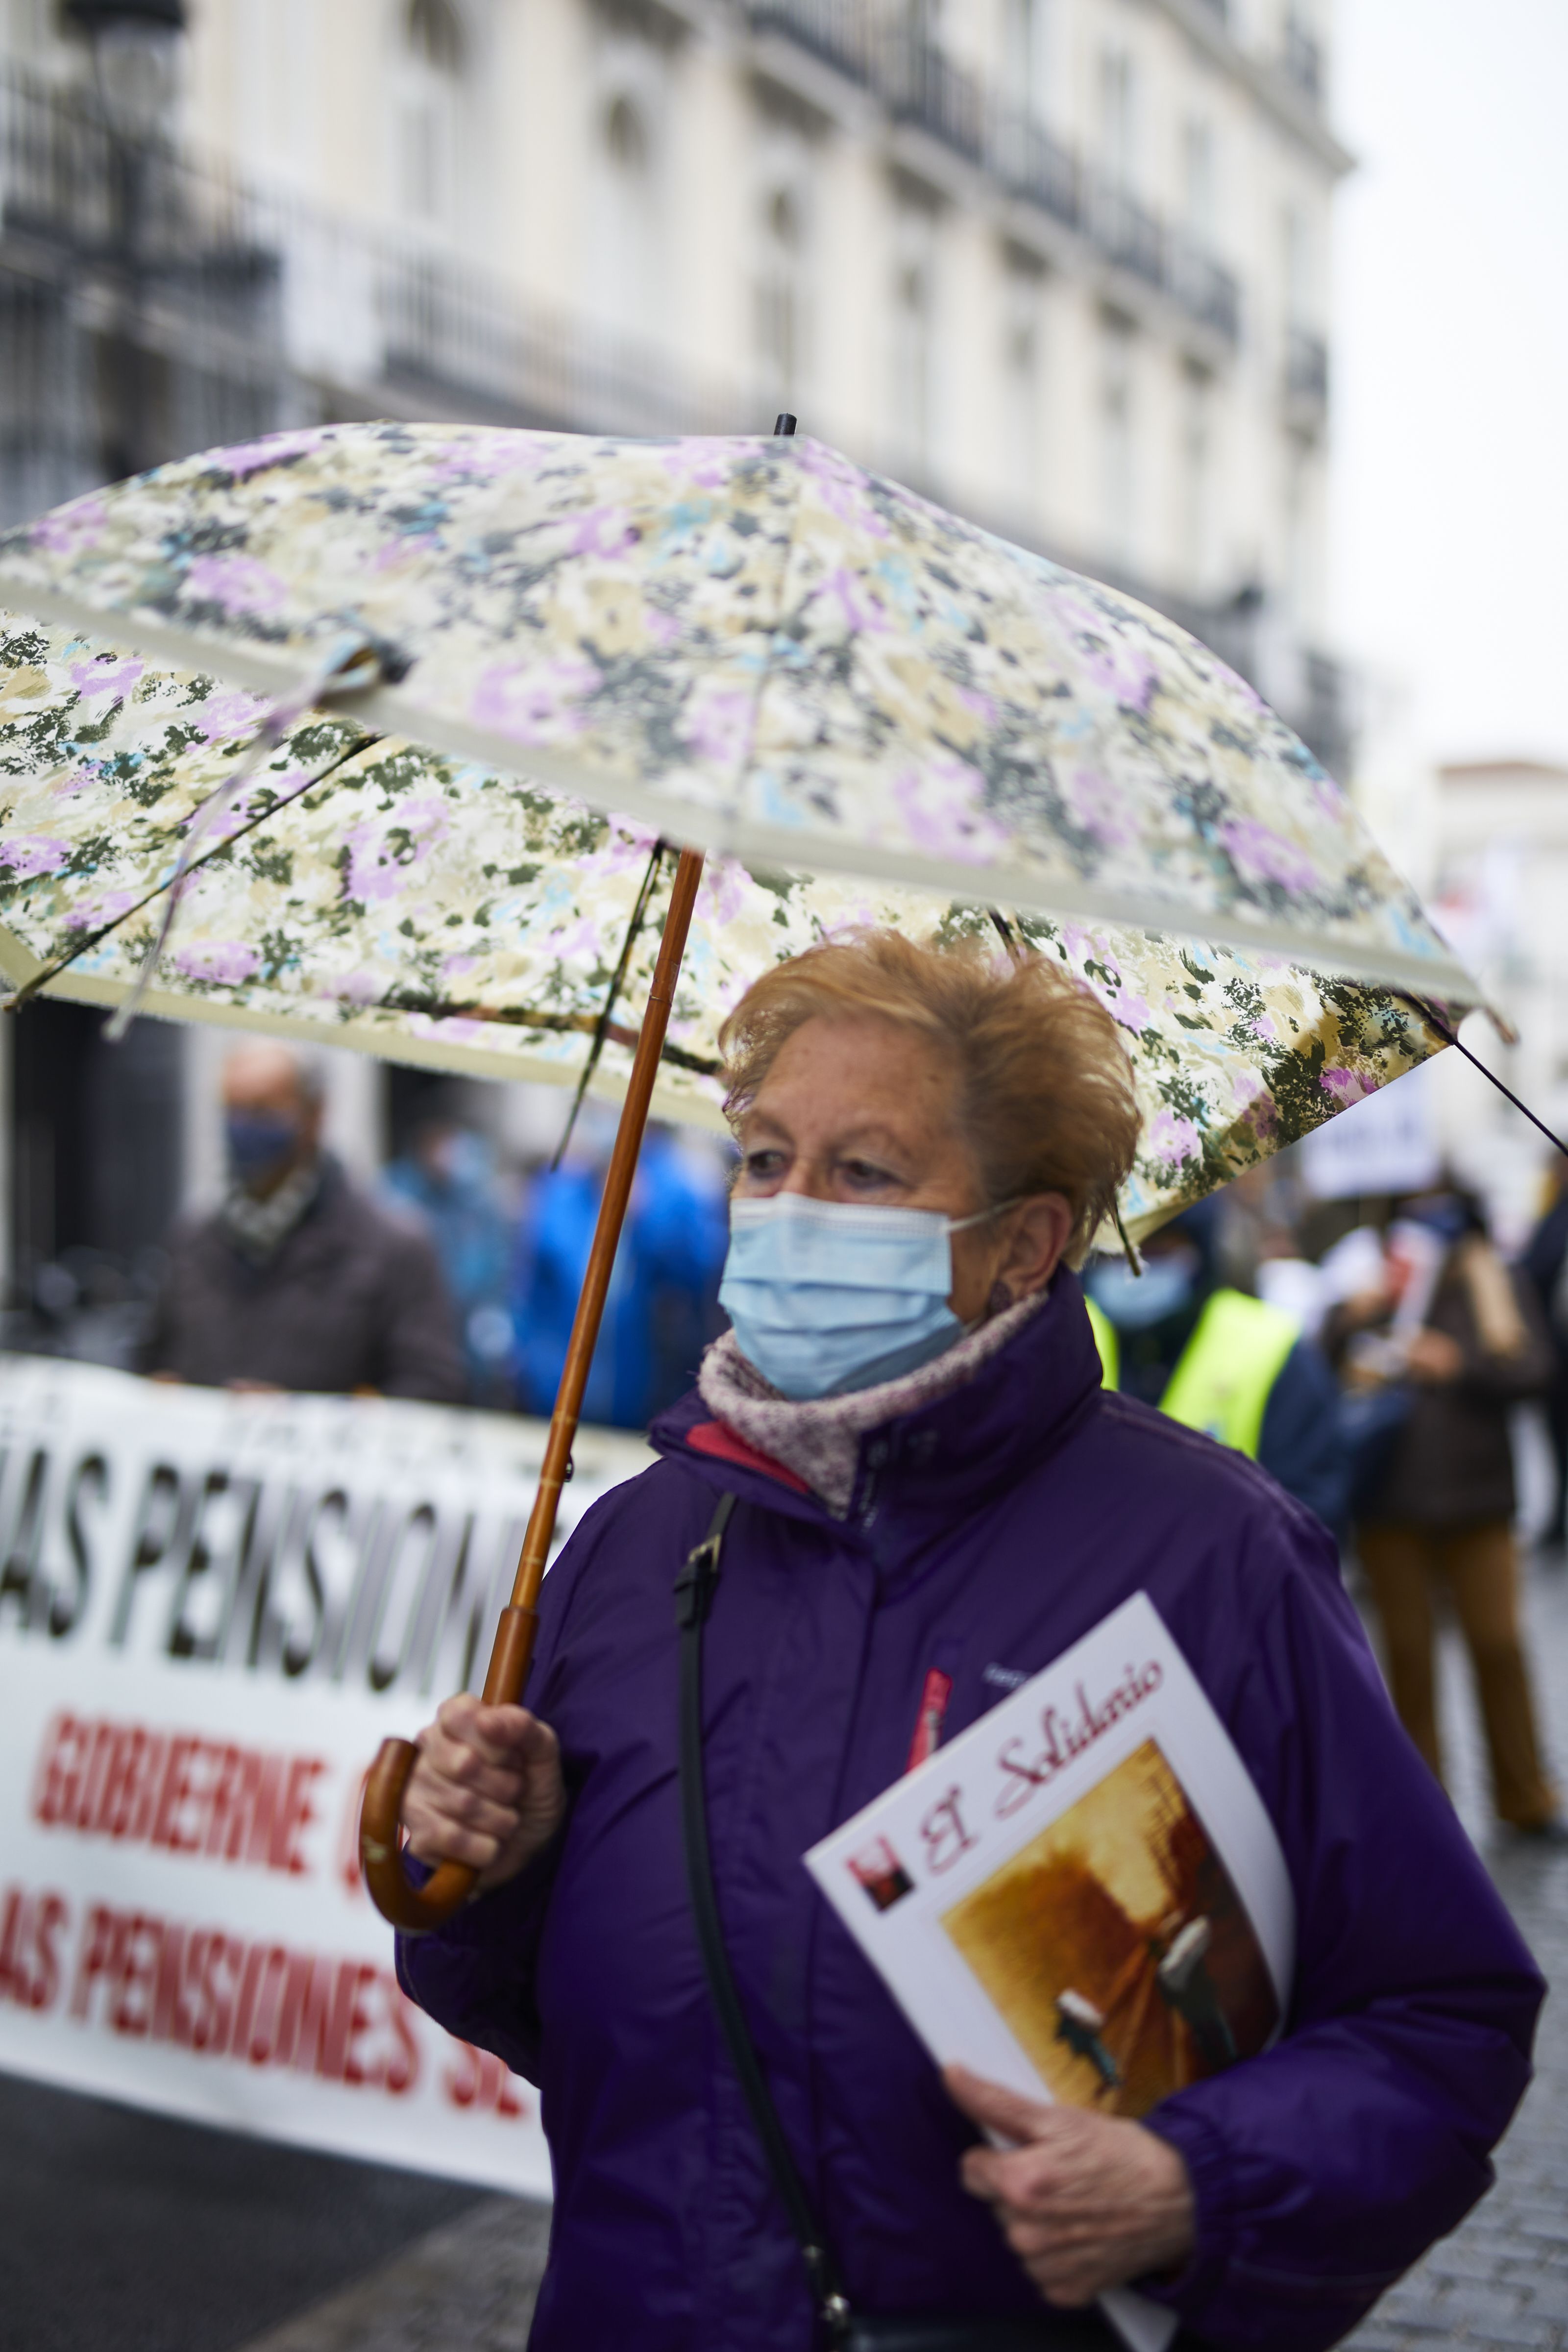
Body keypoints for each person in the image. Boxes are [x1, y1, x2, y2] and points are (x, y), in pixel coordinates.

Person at [392, 935, 1539, 2352]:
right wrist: (493, 1872)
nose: (790, 1208)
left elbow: (1437, 2017)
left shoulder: (1216, 1557)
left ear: (1024, 1244)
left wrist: (1198, 2181)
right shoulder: (637, 1541)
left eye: (863, 1172)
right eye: (763, 1159)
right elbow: (553, 2021)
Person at [1327, 1187, 1560, 1836]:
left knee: (1499, 1646)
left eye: (1441, 1203)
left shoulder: (1495, 1277)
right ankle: (1425, 1810)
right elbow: (1325, 1359)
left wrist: (1460, 1364)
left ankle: (1527, 1796)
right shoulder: (1374, 1275)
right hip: (1390, 1507)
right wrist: (1355, 1316)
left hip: (1479, 1502)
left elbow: (1536, 1370)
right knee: (1408, 1657)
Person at [144, 1042, 465, 1401]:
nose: (243, 1128)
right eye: (233, 1111)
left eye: (263, 1110)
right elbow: (150, 1362)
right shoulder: (194, 1240)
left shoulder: (394, 1247)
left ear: (314, 1114)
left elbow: (431, 1388)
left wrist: (309, 1419)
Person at [1083, 1198, 1348, 1530]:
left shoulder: (1271, 1347)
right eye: (1114, 1251)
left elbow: (1309, 1514)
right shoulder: (1062, 1339)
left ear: (1199, 1248)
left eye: (1158, 1247)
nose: (1134, 1266)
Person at [513, 1120, 728, 1429]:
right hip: (552, 1389)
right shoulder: (559, 1191)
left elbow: (699, 1278)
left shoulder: (674, 1190)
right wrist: (528, 1360)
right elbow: (530, 1285)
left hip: (639, 1394)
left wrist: (645, 1221)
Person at [382, 1115, 516, 1405]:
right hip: (414, 1331)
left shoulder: (475, 1197)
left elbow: (494, 1264)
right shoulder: (394, 1195)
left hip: (468, 1343)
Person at [1522, 1162, 1568, 1558]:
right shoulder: (1554, 1214)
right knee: (1557, 1441)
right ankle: (1558, 1515)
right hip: (1559, 1360)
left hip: (1558, 1356)